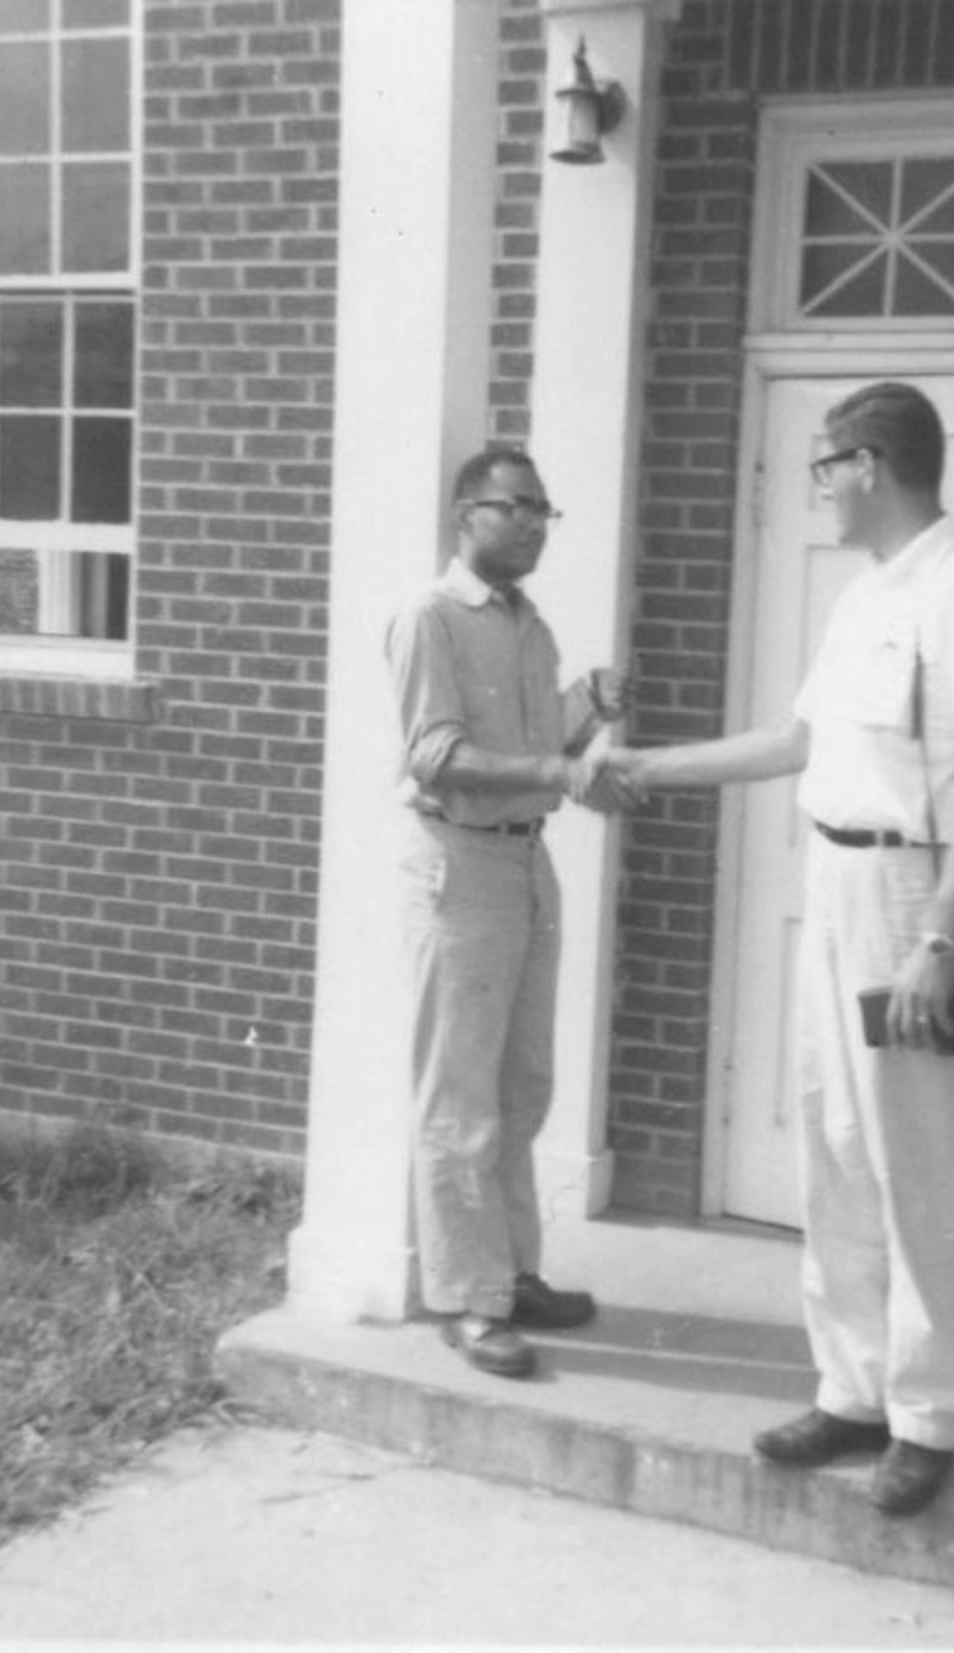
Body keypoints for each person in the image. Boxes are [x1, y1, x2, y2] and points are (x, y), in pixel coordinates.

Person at [604, 382, 954, 1516]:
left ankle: (927, 1414)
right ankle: (850, 1390)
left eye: (824, 467)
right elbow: (798, 741)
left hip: (915, 892)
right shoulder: (862, 600)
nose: (819, 489)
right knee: (835, 1154)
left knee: (918, 1170)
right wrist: (645, 767)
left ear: (868, 465)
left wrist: (942, 933)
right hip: (837, 879)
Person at [385, 446, 633, 1381]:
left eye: (542, 510)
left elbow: (538, 749)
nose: (531, 523)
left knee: (522, 1085)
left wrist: (585, 709)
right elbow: (438, 755)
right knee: (459, 1097)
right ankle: (465, 1299)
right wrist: (557, 769)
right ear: (466, 514)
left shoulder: (530, 625)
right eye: (514, 506)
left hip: (528, 863)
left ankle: (514, 1270)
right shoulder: (431, 618)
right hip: (459, 867)